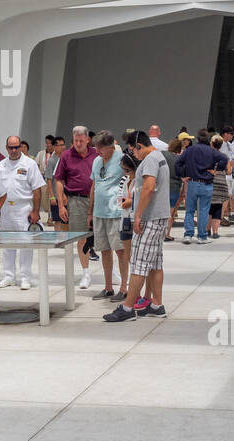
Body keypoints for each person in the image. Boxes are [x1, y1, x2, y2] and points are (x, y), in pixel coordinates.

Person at [104, 131, 170, 322]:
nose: (133, 155)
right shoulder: (160, 157)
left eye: (133, 151)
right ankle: (157, 305)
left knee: (139, 264)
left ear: (139, 146)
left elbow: (149, 187)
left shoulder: (150, 159)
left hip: (150, 218)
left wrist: (138, 215)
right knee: (155, 263)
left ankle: (126, 308)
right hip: (160, 217)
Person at [0, 136, 44, 290]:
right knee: (8, 244)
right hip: (7, 209)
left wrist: (35, 211)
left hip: (24, 209)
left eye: (16, 147)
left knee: (25, 244)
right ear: (6, 148)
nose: (14, 150)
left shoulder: (29, 164)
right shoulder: (1, 165)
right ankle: (9, 276)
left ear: (21, 146)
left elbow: (37, 190)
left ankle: (25, 277)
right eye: (10, 148)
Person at [53, 126, 97, 289]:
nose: (78, 144)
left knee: (103, 236)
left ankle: (111, 271)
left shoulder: (97, 154)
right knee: (81, 237)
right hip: (76, 200)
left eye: (81, 140)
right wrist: (61, 205)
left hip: (98, 200)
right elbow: (58, 180)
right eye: (75, 141)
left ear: (87, 139)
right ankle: (86, 273)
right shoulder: (66, 156)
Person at [89, 132, 129, 300]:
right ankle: (107, 287)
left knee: (120, 250)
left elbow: (131, 181)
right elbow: (94, 185)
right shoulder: (97, 161)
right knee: (104, 250)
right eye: (96, 148)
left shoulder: (123, 160)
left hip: (116, 212)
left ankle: (124, 287)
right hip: (99, 212)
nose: (97, 151)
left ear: (111, 147)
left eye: (101, 148)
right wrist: (90, 212)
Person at [177, 132, 228, 244]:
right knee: (204, 211)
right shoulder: (212, 151)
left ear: (198, 139)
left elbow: (178, 163)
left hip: (192, 182)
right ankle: (202, 236)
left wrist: (182, 176)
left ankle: (188, 235)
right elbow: (224, 159)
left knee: (190, 210)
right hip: (206, 183)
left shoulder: (190, 150)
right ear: (209, 141)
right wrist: (216, 170)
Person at [44, 135, 66, 228]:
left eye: (63, 145)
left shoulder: (67, 158)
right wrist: (52, 197)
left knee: (66, 220)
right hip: (56, 196)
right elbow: (49, 180)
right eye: (59, 145)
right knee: (57, 220)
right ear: (54, 147)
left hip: (67, 196)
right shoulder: (52, 161)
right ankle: (58, 239)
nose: (62, 147)